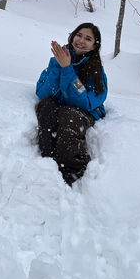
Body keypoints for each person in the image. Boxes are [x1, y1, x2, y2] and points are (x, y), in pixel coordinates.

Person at [35, 22, 107, 185]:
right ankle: (48, 162)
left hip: (84, 111)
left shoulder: (97, 71)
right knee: (45, 106)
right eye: (79, 35)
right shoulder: (59, 59)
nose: (81, 40)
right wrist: (59, 66)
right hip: (62, 107)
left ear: (94, 46)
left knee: (69, 115)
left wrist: (68, 69)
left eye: (88, 39)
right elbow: (43, 93)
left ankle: (73, 171)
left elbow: (85, 102)